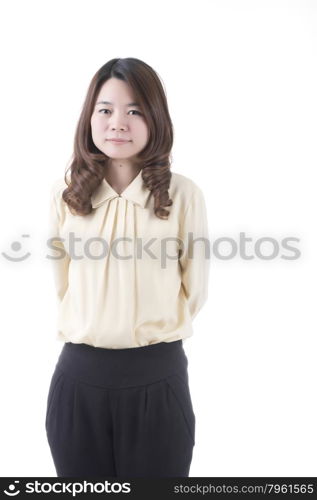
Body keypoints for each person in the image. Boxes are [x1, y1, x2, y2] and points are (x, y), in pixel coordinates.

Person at [45, 57, 210, 478]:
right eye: (105, 110)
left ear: (155, 119)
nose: (117, 122)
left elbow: (195, 289)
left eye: (134, 110)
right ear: (90, 118)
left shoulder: (182, 195)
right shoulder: (66, 195)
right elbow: (61, 284)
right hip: (78, 382)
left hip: (158, 382)